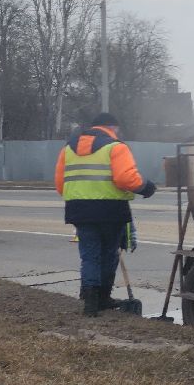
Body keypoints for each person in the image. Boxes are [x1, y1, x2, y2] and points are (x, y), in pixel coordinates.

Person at [54, 112, 156, 316]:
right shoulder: (116, 147)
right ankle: (103, 298)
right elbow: (126, 179)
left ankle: (90, 304)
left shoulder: (68, 149)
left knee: (89, 256)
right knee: (109, 255)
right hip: (111, 211)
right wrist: (146, 188)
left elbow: (60, 184)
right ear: (112, 127)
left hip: (80, 210)